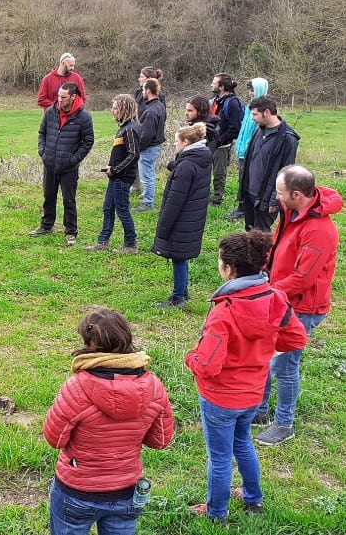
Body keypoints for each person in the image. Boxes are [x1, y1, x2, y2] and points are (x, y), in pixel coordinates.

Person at [185, 230, 306, 522]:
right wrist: (263, 351)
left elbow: (208, 365)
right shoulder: (276, 297)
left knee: (220, 457)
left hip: (221, 397)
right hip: (253, 392)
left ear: (229, 269)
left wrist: (190, 358)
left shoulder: (224, 311)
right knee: (242, 442)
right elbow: (296, 338)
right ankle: (254, 499)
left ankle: (216, 513)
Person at [45, 307, 174, 535]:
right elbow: (161, 440)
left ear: (88, 341)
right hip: (124, 491)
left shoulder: (77, 387)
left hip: (77, 490)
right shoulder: (154, 386)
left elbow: (55, 439)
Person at [253, 165, 342, 445]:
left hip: (303, 308)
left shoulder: (318, 230)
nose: (276, 198)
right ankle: (260, 410)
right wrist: (264, 267)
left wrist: (264, 291)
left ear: (296, 193)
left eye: (281, 193)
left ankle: (284, 423)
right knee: (267, 354)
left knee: (285, 366)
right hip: (282, 298)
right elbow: (279, 246)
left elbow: (303, 279)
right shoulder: (293, 212)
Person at [151, 123, 211, 308]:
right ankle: (183, 292)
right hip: (192, 218)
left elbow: (174, 201)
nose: (174, 145)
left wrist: (163, 226)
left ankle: (178, 297)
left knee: (178, 257)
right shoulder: (201, 158)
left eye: (176, 142)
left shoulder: (186, 166)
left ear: (186, 142)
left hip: (181, 219)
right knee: (182, 257)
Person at [29, 82, 94, 246]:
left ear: (73, 97)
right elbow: (42, 133)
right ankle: (46, 226)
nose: (59, 100)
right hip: (50, 164)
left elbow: (88, 141)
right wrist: (43, 152)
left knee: (69, 200)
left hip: (68, 168)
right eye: (58, 96)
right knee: (48, 196)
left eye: (63, 97)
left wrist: (74, 159)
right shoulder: (51, 112)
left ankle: (71, 232)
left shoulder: (83, 117)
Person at [87, 94, 140, 253]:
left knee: (122, 210)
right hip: (116, 176)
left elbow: (133, 155)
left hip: (122, 177)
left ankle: (131, 244)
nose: (112, 111)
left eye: (115, 108)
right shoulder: (124, 128)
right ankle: (103, 242)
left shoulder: (130, 130)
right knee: (108, 208)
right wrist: (111, 167)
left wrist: (115, 169)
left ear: (124, 109)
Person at [238, 95, 299, 231]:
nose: (252, 118)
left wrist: (274, 200)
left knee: (261, 235)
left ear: (266, 112)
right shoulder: (258, 130)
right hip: (250, 193)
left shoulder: (288, 139)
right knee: (250, 230)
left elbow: (286, 172)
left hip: (265, 198)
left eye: (254, 114)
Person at [229, 78, 269, 219]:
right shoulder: (249, 106)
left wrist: (248, 147)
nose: (250, 93)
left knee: (248, 180)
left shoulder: (263, 109)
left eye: (253, 90)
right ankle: (242, 207)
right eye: (249, 90)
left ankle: (246, 209)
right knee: (242, 179)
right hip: (242, 149)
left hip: (249, 150)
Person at [208, 73, 246, 205]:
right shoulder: (217, 100)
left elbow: (235, 128)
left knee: (219, 173)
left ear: (222, 86)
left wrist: (219, 140)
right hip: (210, 142)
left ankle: (217, 198)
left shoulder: (232, 103)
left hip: (222, 145)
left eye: (214, 82)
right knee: (206, 170)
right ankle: (206, 196)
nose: (211, 84)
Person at [132, 78, 166, 212]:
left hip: (149, 147)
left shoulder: (151, 111)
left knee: (146, 176)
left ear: (148, 90)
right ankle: (147, 198)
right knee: (149, 174)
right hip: (155, 146)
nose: (142, 92)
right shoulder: (159, 106)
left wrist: (137, 148)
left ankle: (147, 203)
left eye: (143, 89)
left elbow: (146, 135)